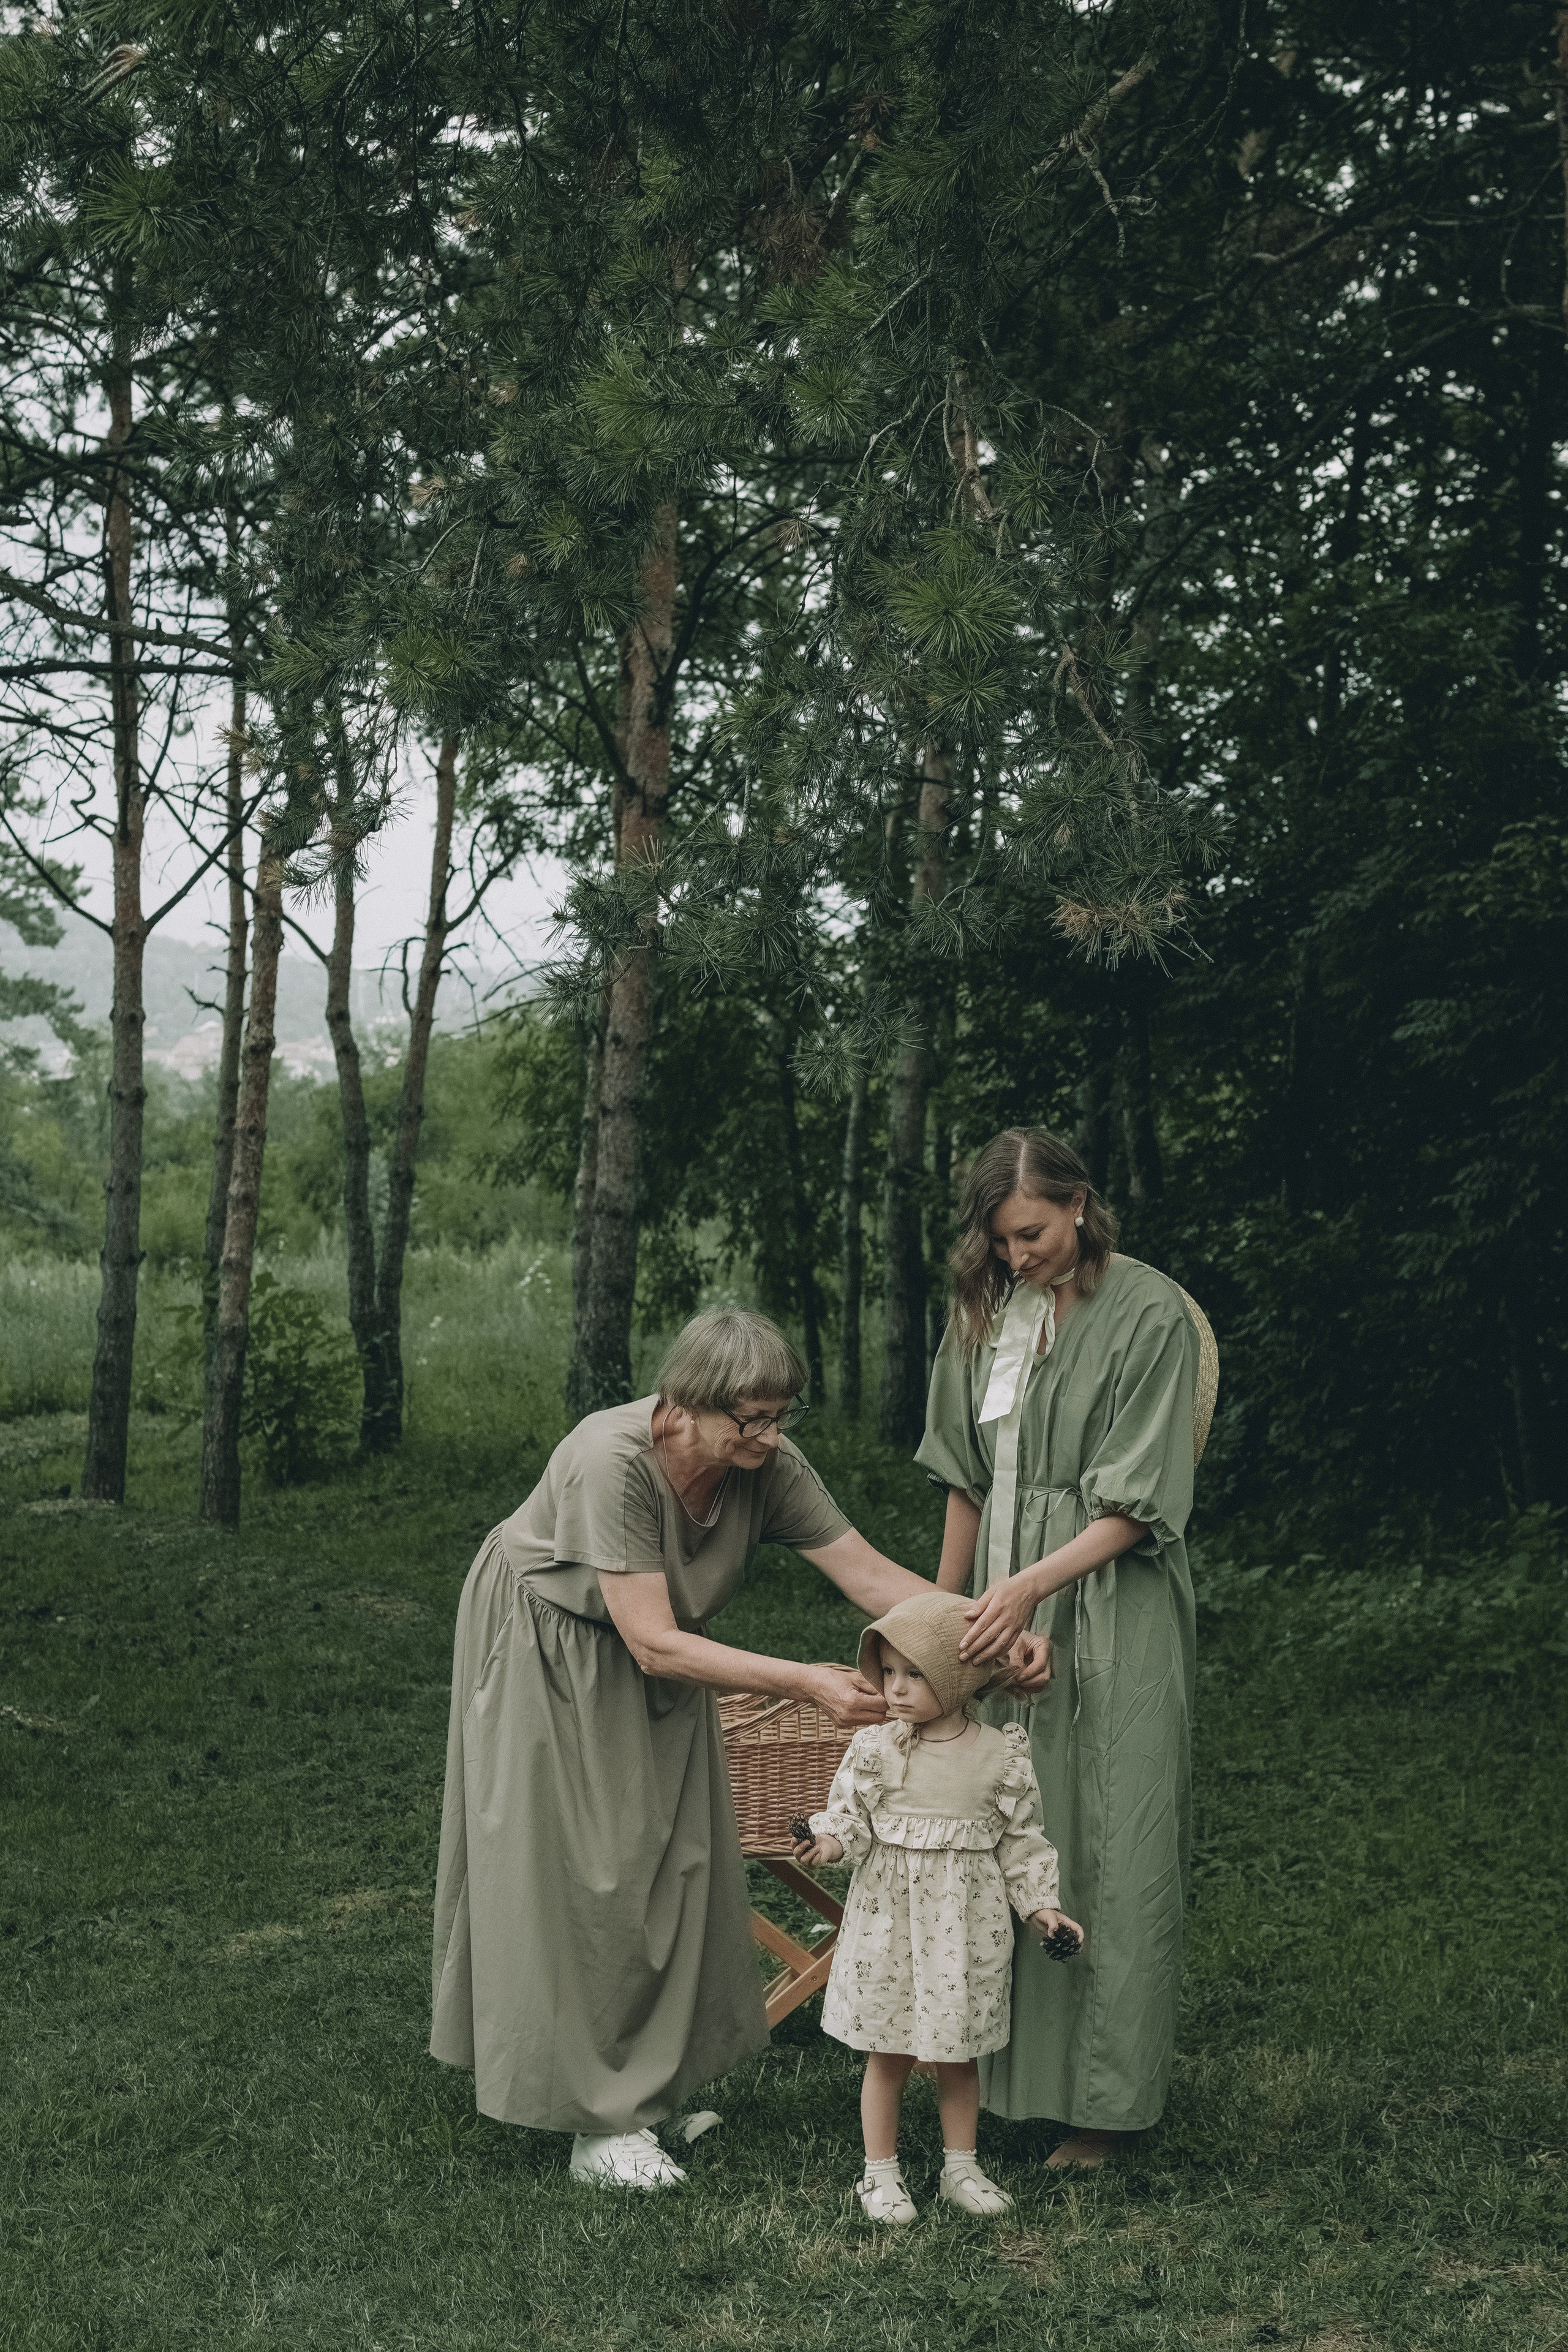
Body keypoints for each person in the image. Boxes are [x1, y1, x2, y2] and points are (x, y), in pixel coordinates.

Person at [430, 1307, 1051, 2191]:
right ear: (683, 1405)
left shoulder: (768, 1467)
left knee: (675, 1857)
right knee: (594, 1871)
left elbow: (869, 1576)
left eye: (778, 1416)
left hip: (660, 1650)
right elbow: (649, 1639)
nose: (766, 1436)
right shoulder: (612, 1462)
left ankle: (646, 2088)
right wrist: (804, 1680)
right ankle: (596, 2127)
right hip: (549, 1646)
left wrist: (984, 1635)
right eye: (747, 1419)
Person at [916, 1127, 1206, 2168]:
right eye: (1000, 1242)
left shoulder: (1152, 1312)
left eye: (1031, 1234)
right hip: (1003, 1600)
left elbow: (1139, 1501)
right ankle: (1006, 2081)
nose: (1016, 1256)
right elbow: (964, 1476)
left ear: (1080, 1203)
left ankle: (1105, 2109)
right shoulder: (992, 1313)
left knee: (1112, 1834)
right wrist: (935, 1626)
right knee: (1011, 1826)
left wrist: (1034, 1583)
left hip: (1111, 1598)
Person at [794, 1590, 1080, 2224]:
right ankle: (879, 2175)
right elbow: (852, 1822)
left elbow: (1020, 1842)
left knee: (957, 2053)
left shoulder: (1000, 1756)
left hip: (965, 1930)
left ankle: (960, 2166)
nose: (894, 1689)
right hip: (889, 1925)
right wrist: (828, 1841)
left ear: (958, 1680)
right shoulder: (876, 1751)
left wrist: (1041, 1908)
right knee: (888, 2051)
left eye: (913, 1674)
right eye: (887, 1672)